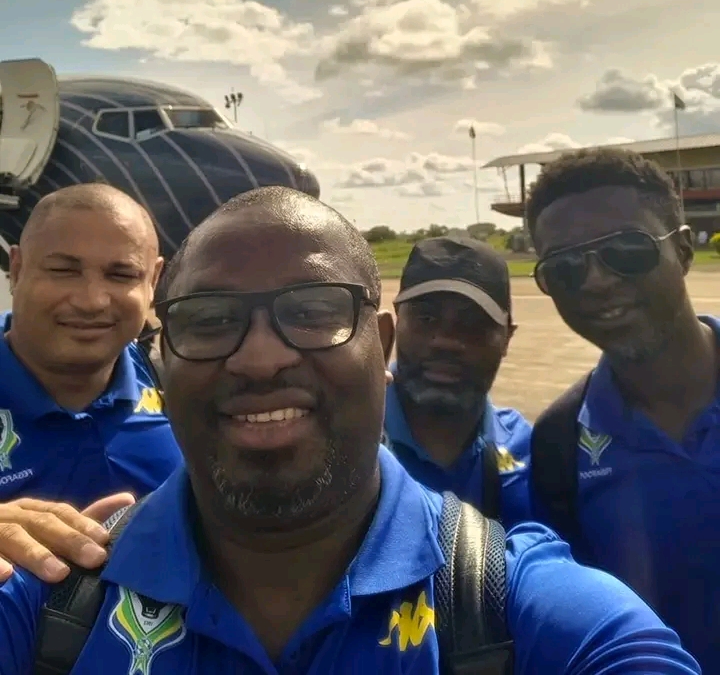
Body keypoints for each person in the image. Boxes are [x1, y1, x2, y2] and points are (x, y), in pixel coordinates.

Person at [0, 186, 702, 674]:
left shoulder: (525, 613)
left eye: (314, 311)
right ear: (162, 356)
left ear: (383, 346)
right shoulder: (45, 603)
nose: (261, 358)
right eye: (209, 320)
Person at [526, 147, 720, 673]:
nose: (595, 281)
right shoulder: (559, 444)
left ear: (683, 251)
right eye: (565, 267)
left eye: (627, 250)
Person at [0, 184, 182, 585]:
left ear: (153, 280)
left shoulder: (183, 385)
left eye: (121, 274)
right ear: (17, 269)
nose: (92, 301)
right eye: (63, 270)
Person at [385, 236, 532, 525]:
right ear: (396, 322)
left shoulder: (530, 448)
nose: (445, 341)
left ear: (507, 338)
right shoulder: (344, 437)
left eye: (473, 323)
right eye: (426, 318)